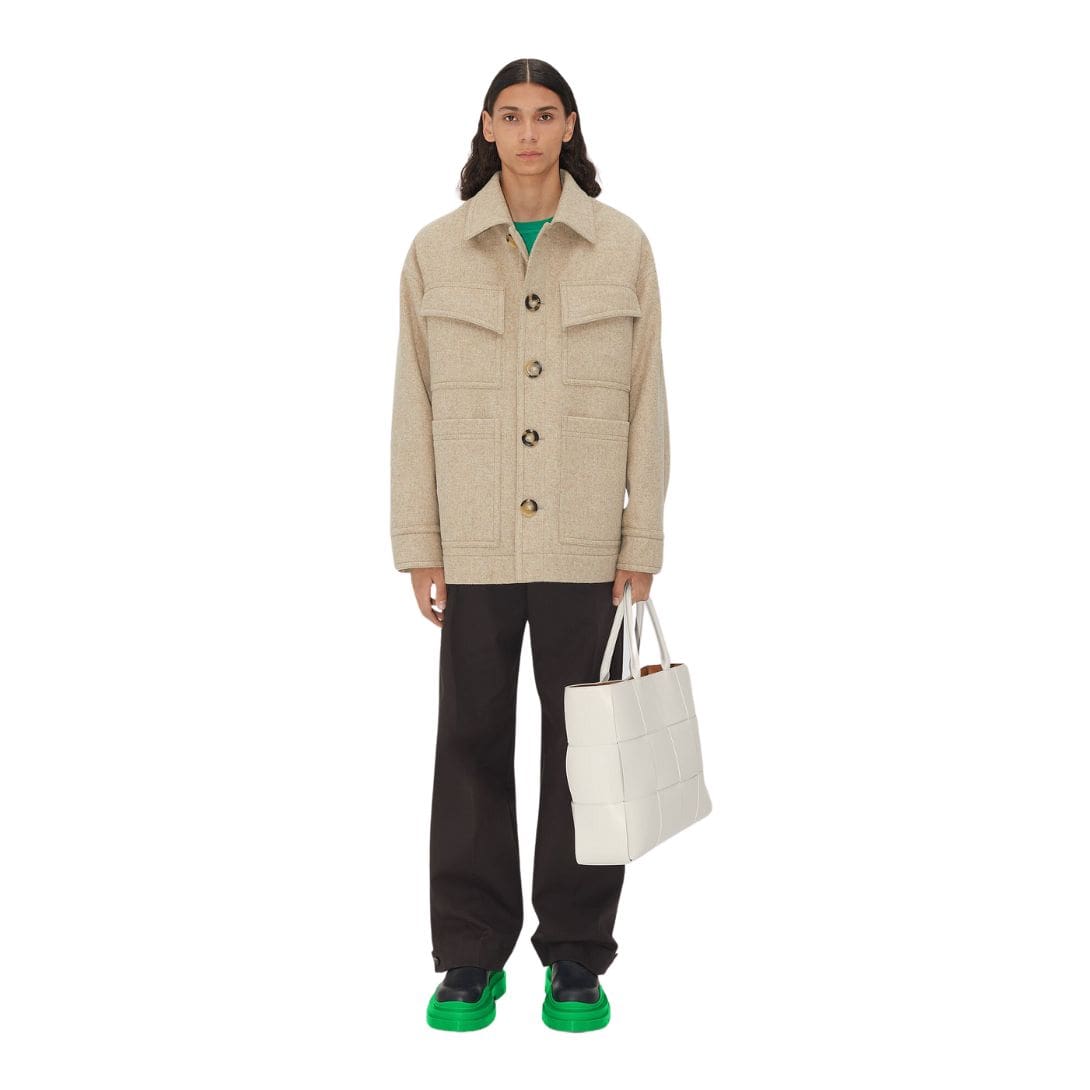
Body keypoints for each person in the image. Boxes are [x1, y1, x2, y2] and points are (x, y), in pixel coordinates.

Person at [389, 58, 670, 1033]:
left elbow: (647, 397)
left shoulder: (621, 245)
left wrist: (641, 534)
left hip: (587, 544)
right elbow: (413, 401)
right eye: (509, 116)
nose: (527, 133)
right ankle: (469, 957)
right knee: (469, 744)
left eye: (544, 115)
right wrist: (420, 540)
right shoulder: (436, 250)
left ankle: (577, 956)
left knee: (585, 751)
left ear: (569, 126)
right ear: (486, 126)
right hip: (472, 542)